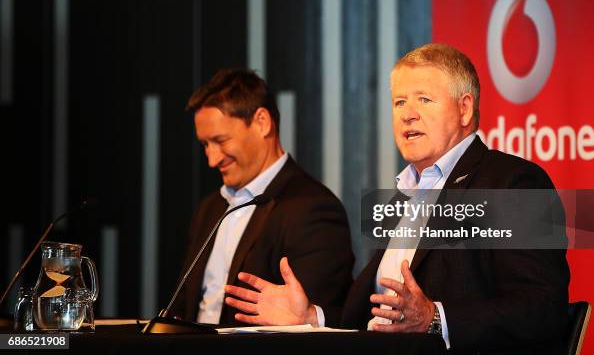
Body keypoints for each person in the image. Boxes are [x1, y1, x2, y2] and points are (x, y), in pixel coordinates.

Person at [223, 44, 569, 353]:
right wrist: (311, 317)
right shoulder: (405, 196)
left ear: (465, 109)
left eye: (424, 99)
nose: (407, 114)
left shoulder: (513, 182)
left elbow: (543, 308)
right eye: (399, 101)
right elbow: (372, 316)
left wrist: (436, 318)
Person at [172, 68, 354, 327]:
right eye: (205, 145)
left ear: (262, 122)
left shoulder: (314, 209)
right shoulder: (210, 209)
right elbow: (184, 305)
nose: (212, 159)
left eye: (220, 140)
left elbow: (316, 322)